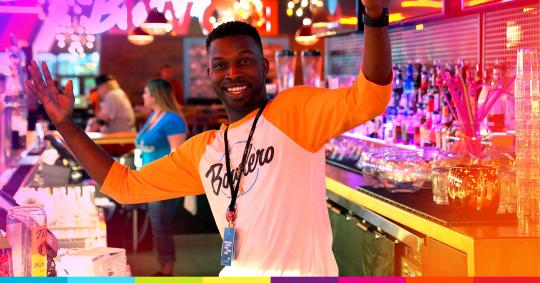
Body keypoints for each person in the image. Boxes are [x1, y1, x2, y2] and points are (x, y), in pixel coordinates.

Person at [25, 0, 391, 276]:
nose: (233, 72)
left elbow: (371, 95)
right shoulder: (204, 150)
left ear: (263, 67)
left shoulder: (296, 111)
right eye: (221, 64)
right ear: (210, 73)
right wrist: (66, 125)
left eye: (245, 60)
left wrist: (374, 16)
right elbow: (124, 186)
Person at [136, 79, 187, 276]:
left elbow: (177, 153)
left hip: (164, 182)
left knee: (161, 226)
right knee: (158, 226)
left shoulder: (173, 119)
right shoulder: (154, 116)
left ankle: (167, 270)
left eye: (146, 93)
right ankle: (164, 266)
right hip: (149, 180)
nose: (143, 96)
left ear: (156, 95)